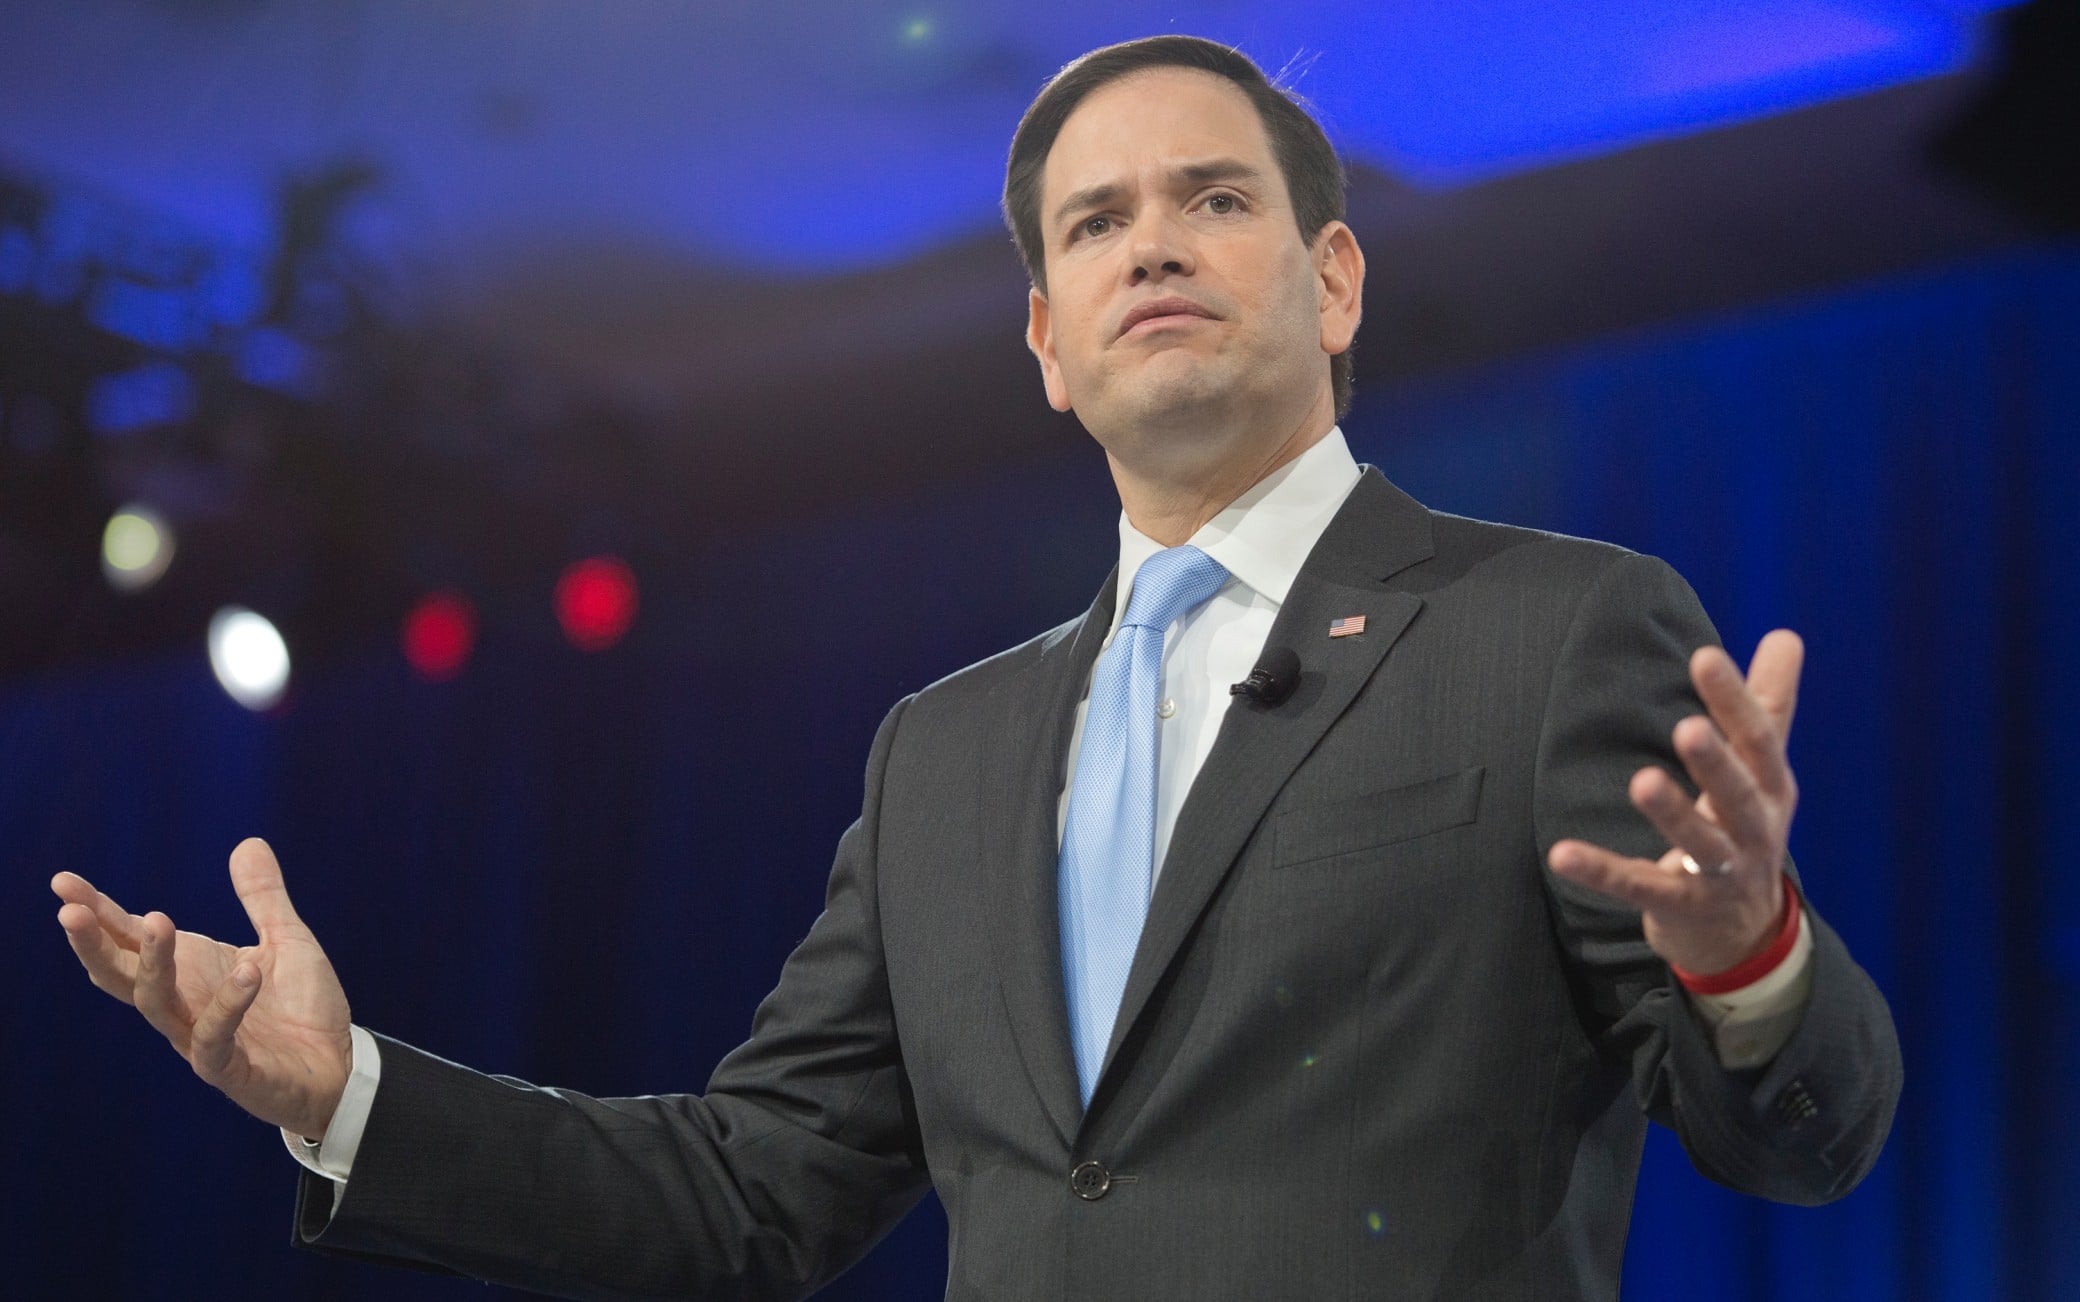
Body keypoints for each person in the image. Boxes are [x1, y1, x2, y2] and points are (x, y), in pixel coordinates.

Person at [52, 34, 1900, 1301]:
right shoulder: (946, 751)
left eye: (1213, 200)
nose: (1151, 241)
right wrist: (343, 1091)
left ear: (1335, 285)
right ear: (1044, 340)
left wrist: (1750, 959)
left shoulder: (1555, 626)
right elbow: (746, 1193)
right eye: (1095, 222)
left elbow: (1800, 1139)